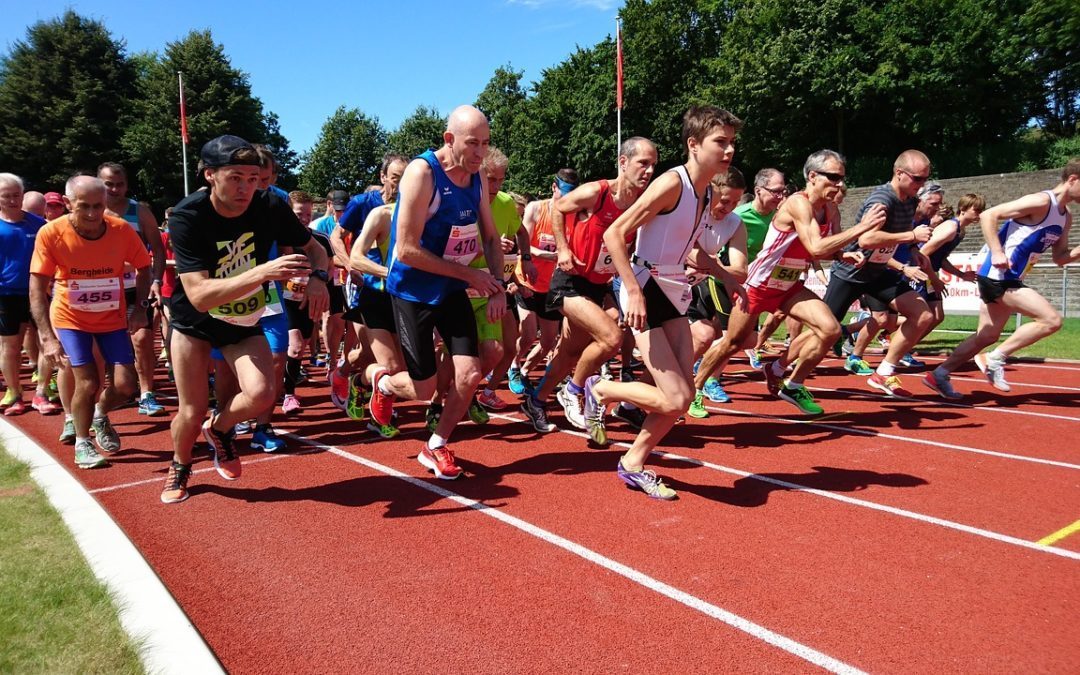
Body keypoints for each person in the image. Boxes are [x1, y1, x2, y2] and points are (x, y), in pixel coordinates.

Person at [577, 106, 741, 500]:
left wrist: (727, 277)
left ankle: (633, 463)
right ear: (694, 144)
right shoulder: (672, 184)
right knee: (677, 396)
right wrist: (632, 290)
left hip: (672, 290)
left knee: (679, 400)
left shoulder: (707, 193)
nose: (730, 150)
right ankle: (601, 390)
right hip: (646, 288)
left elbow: (690, 251)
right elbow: (614, 235)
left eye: (732, 142)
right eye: (721, 142)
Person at [161, 135, 328, 503]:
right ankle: (180, 466)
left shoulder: (269, 204)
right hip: (195, 322)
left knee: (262, 394)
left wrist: (318, 280)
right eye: (236, 177)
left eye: (253, 178)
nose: (246, 187)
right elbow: (200, 296)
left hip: (242, 318)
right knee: (191, 409)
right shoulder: (188, 215)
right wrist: (263, 272)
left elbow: (315, 249)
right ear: (210, 176)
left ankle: (220, 430)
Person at [364, 105, 505, 480]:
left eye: (486, 144)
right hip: (411, 290)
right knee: (424, 389)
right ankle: (382, 382)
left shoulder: (477, 178)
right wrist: (469, 275)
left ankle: (437, 444)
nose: (480, 153)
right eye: (473, 144)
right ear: (449, 139)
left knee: (470, 373)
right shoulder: (422, 173)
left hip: (450, 288)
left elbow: (490, 237)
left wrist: (498, 285)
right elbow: (406, 249)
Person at [695, 150, 886, 415]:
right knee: (734, 342)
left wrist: (843, 254)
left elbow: (828, 247)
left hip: (789, 286)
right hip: (760, 284)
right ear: (813, 176)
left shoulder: (831, 209)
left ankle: (790, 382)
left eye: (842, 178)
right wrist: (862, 228)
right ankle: (696, 386)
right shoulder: (799, 203)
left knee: (830, 330)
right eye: (833, 178)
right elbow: (816, 246)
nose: (839, 184)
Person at [519, 137, 658, 437]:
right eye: (642, 163)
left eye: (653, 165)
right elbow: (558, 208)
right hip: (568, 282)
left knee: (571, 351)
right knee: (611, 338)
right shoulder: (598, 191)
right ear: (623, 163)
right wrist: (563, 248)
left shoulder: (644, 202)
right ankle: (572, 390)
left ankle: (536, 399)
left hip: (598, 284)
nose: (648, 171)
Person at [924, 160, 1080, 398]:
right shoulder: (1041, 201)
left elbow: (1060, 257)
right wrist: (997, 251)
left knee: (987, 335)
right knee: (1051, 320)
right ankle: (995, 359)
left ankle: (939, 374)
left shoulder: (1065, 217)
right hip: (999, 277)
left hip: (1009, 277)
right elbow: (989, 215)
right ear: (1072, 179)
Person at [29, 176, 151, 469]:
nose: (93, 214)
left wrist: (140, 308)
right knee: (89, 380)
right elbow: (37, 286)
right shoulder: (51, 233)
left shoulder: (121, 230)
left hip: (111, 318)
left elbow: (144, 267)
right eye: (84, 207)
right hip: (71, 318)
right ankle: (83, 443)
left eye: (99, 206)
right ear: (68, 204)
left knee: (126, 386)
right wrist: (47, 337)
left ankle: (99, 414)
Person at [822, 150, 936, 397]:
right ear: (899, 173)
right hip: (852, 270)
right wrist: (911, 237)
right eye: (917, 179)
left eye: (925, 179)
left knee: (923, 315)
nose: (922, 184)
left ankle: (883, 372)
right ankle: (780, 366)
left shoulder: (911, 200)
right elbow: (866, 238)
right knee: (823, 331)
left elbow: (903, 229)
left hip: (878, 273)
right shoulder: (882, 199)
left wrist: (913, 248)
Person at [98, 162, 168, 416]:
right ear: (98, 183)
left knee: (142, 339)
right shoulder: (92, 211)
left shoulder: (140, 211)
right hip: (102, 289)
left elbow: (157, 250)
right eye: (109, 184)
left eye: (120, 184)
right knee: (106, 344)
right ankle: (115, 390)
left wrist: (156, 280)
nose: (115, 189)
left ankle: (147, 393)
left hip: (136, 286)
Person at [685, 169, 749, 417]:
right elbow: (690, 253)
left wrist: (709, 263)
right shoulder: (692, 210)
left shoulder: (735, 224)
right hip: (656, 283)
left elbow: (741, 271)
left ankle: (685, 390)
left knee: (706, 335)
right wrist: (715, 265)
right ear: (711, 191)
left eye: (735, 202)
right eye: (725, 201)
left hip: (690, 288)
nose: (729, 208)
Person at [509, 169, 578, 395]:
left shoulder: (574, 214)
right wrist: (550, 255)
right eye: (564, 194)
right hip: (527, 279)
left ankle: (526, 371)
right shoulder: (536, 208)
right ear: (553, 187)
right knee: (528, 333)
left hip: (552, 286)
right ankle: (514, 366)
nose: (567, 200)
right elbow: (523, 244)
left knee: (548, 342)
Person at [0, 173, 57, 416]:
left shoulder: (39, 225)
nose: (13, 200)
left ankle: (42, 393)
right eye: (6, 196)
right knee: (10, 346)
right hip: (6, 294)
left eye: (17, 195)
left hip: (39, 293)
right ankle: (14, 393)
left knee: (47, 342)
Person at [735, 168, 786, 368]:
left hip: (754, 283)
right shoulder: (739, 216)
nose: (780, 196)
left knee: (748, 338)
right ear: (758, 191)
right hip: (727, 280)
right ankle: (707, 376)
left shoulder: (781, 216)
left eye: (782, 191)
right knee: (717, 333)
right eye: (775, 191)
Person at [330, 154, 409, 268]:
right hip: (366, 280)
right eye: (395, 179)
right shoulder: (361, 203)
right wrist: (350, 266)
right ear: (383, 177)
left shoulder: (413, 207)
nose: (400, 186)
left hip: (397, 280)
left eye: (405, 180)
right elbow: (336, 236)